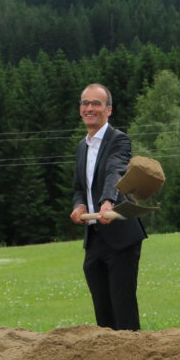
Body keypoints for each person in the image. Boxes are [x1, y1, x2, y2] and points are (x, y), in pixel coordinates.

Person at [70, 83, 146, 330]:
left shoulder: (118, 139)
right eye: (85, 103)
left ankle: (135, 359)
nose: (90, 108)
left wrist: (107, 201)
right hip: (94, 237)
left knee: (122, 308)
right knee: (102, 312)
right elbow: (80, 187)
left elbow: (116, 170)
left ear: (108, 110)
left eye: (96, 104)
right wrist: (80, 206)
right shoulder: (83, 146)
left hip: (121, 236)